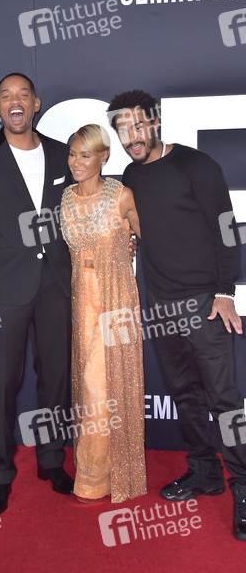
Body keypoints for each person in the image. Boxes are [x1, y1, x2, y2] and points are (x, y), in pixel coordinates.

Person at [107, 89, 246, 540]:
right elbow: (150, 229)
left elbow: (226, 229)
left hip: (205, 305)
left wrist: (225, 292)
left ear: (155, 121)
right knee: (185, 395)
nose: (131, 136)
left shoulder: (197, 166)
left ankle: (244, 488)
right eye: (122, 129)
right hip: (161, 305)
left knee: (224, 401)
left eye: (138, 124)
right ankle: (204, 471)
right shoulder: (131, 174)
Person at [0, 73, 74, 515]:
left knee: (56, 377)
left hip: (56, 286)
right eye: (6, 96)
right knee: (2, 382)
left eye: (23, 94)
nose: (15, 101)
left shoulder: (62, 155)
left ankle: (52, 461)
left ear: (36, 103)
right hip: (2, 290)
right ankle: (1, 473)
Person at [60, 124, 146, 503]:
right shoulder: (65, 197)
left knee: (101, 386)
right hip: (82, 300)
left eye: (86, 155)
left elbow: (147, 235)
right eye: (72, 154)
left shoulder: (122, 195)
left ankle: (94, 479)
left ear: (103, 157)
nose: (77, 162)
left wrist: (131, 242)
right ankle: (102, 472)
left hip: (117, 300)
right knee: (88, 387)